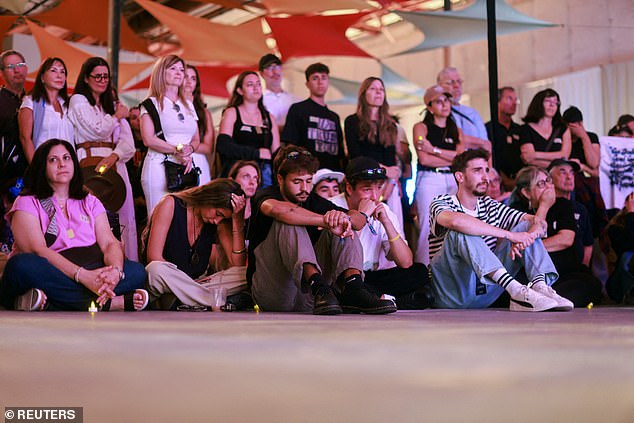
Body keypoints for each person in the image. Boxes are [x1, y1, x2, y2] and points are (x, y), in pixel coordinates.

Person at [0, 139, 147, 311]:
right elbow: (39, 250)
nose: (62, 164)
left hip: (91, 266)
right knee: (21, 266)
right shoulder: (27, 202)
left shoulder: (90, 201)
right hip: (50, 269)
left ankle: (50, 304)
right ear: (42, 167)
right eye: (53, 160)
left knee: (137, 272)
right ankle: (109, 303)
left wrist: (114, 272)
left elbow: (109, 243)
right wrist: (82, 276)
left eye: (67, 158)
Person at [247, 145, 396, 314]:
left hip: (312, 299)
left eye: (309, 181)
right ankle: (318, 286)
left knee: (342, 223)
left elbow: (357, 222)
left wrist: (343, 219)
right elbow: (280, 211)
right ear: (280, 179)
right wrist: (326, 220)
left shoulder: (314, 200)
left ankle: (354, 289)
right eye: (297, 181)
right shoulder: (266, 195)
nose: (304, 188)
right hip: (273, 292)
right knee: (288, 220)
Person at [428, 148, 573, 311]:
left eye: (486, 170)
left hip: (485, 294)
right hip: (450, 294)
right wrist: (510, 235)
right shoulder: (441, 201)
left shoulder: (490, 205)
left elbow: (538, 222)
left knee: (526, 226)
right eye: (477, 171)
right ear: (460, 176)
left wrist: (527, 237)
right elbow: (455, 221)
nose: (485, 177)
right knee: (461, 230)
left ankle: (540, 287)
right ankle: (516, 290)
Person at [330, 157, 433, 309]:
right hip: (341, 276)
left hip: (370, 278)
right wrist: (361, 215)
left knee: (419, 272)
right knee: (346, 286)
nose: (374, 196)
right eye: (366, 189)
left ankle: (376, 299)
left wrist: (387, 223)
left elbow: (405, 262)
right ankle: (386, 300)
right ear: (349, 188)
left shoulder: (384, 210)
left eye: (378, 188)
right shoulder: (333, 206)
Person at [68, 57, 138, 260]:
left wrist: (114, 156)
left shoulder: (114, 104)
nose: (102, 79)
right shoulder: (78, 101)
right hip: (87, 161)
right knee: (89, 216)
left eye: (106, 76)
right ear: (86, 78)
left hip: (116, 164)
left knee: (123, 216)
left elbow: (128, 143)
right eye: (97, 75)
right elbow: (95, 131)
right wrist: (116, 117)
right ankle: (93, 264)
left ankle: (126, 264)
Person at [144, 179, 248, 309]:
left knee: (246, 273)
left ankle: (188, 301)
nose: (217, 221)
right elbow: (153, 257)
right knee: (155, 269)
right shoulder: (170, 204)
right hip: (167, 285)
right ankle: (213, 301)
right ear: (209, 198)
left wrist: (237, 220)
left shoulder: (217, 223)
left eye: (222, 218)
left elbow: (238, 265)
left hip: (193, 287)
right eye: (218, 214)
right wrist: (185, 283)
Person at [509, 164, 602, 307]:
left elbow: (566, 239)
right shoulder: (516, 210)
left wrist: (532, 248)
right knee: (512, 285)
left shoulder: (563, 205)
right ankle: (538, 298)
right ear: (527, 193)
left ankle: (543, 299)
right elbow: (517, 247)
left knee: (591, 284)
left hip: (563, 272)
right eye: (541, 183)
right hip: (529, 274)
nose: (548, 186)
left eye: (548, 180)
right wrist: (543, 206)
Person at [139, 54, 200, 216]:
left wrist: (189, 150)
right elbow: (148, 139)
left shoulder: (188, 104)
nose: (179, 72)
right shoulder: (151, 104)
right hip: (158, 165)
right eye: (173, 68)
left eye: (181, 69)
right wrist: (177, 150)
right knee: (158, 217)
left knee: (184, 218)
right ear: (161, 72)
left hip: (185, 167)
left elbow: (196, 138)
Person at [412, 85, 465, 265]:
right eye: (439, 101)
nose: (444, 105)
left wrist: (434, 150)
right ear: (429, 106)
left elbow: (462, 157)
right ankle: (423, 270)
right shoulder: (421, 127)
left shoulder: (455, 129)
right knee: (428, 224)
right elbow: (425, 159)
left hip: (452, 178)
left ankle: (449, 267)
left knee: (454, 222)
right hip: (430, 177)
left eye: (446, 100)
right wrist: (451, 158)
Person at [344, 77, 402, 228]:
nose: (378, 92)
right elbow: (355, 155)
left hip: (386, 182)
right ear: (364, 94)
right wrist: (384, 169)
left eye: (381, 89)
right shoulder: (352, 121)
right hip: (363, 181)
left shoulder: (391, 125)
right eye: (373, 89)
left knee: (393, 227)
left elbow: (392, 164)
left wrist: (388, 186)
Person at [217, 71, 279, 186]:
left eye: (258, 84)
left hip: (264, 175)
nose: (256, 88)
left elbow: (276, 153)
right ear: (240, 90)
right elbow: (223, 145)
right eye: (250, 84)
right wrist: (256, 153)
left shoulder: (269, 117)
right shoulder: (232, 113)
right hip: (238, 172)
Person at [282, 63, 345, 171]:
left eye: (324, 78)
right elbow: (290, 146)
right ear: (307, 84)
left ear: (328, 82)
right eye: (315, 78)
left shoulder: (334, 117)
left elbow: (340, 154)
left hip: (332, 175)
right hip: (306, 174)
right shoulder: (298, 109)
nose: (320, 82)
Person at [18, 57, 74, 163]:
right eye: (53, 70)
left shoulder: (68, 104)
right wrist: (36, 168)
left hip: (69, 166)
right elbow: (25, 139)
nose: (59, 75)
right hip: (45, 164)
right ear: (42, 77)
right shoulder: (31, 102)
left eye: (63, 72)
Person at [437, 67, 491, 152]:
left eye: (459, 81)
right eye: (451, 82)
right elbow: (451, 139)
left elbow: (487, 144)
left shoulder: (472, 112)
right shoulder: (438, 112)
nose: (456, 86)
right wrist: (480, 143)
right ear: (439, 87)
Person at [518, 88, 571, 168]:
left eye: (555, 102)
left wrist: (535, 155)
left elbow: (564, 156)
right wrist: (557, 165)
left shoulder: (563, 129)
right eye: (548, 101)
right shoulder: (526, 129)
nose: (552, 105)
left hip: (558, 177)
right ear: (538, 103)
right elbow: (528, 159)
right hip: (536, 177)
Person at [0, 50, 28, 188]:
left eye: (20, 64)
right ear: (1, 73)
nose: (17, 70)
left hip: (31, 175)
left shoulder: (32, 101)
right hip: (7, 178)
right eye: (11, 67)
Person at [485, 86, 522, 190]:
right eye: (509, 99)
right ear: (497, 101)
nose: (514, 103)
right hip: (497, 184)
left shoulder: (519, 129)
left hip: (519, 183)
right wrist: (503, 179)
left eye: (516, 100)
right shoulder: (487, 129)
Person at [183, 65, 213, 183]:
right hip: (174, 159)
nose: (189, 81)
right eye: (186, 76)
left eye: (193, 78)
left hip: (198, 161)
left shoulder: (204, 112)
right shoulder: (168, 106)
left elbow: (208, 147)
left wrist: (187, 147)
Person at [603, 192, 634, 303]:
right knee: (627, 256)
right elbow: (630, 244)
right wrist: (631, 214)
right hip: (620, 282)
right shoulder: (615, 228)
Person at [258, 54, 299, 133]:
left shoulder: (296, 101)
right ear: (261, 73)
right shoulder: (257, 101)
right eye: (270, 67)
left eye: (278, 66)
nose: (275, 71)